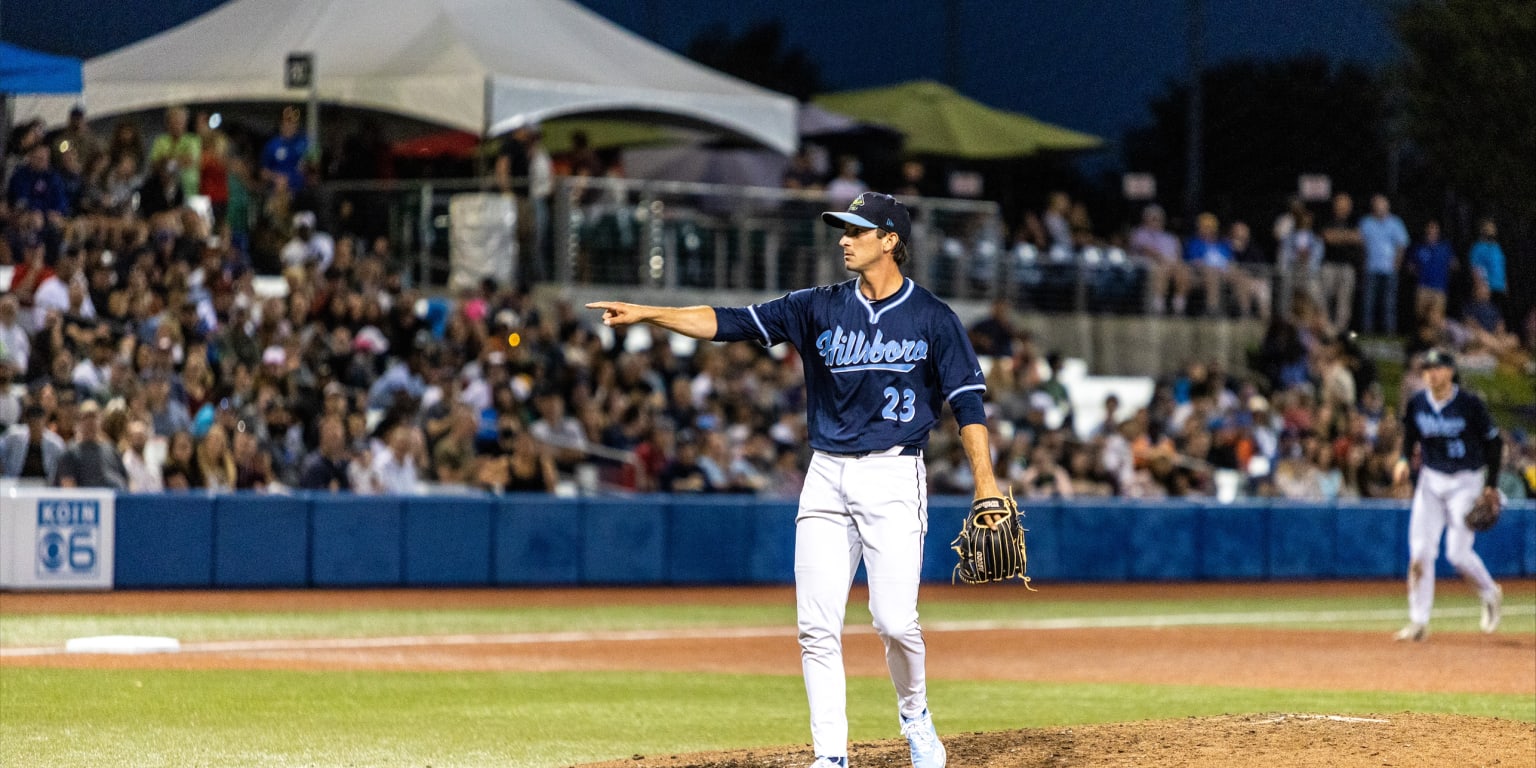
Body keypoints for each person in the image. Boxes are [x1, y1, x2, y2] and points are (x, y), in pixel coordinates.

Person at [589, 190, 1004, 768]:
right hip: (827, 474)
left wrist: (985, 482)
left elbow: (968, 405)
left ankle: (916, 715)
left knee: (894, 620)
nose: (843, 238)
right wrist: (650, 313)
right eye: (843, 229)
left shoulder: (934, 317)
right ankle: (831, 756)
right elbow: (731, 322)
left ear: (890, 240)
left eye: (857, 230)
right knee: (816, 625)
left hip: (893, 474)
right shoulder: (817, 305)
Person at [1391, 349, 1503, 642]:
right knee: (1420, 553)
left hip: (1467, 480)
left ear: (1450, 372)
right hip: (1431, 480)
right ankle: (1418, 622)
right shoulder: (1417, 403)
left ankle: (1490, 593)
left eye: (1437, 368)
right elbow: (1410, 436)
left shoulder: (1469, 404)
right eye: (1427, 368)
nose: (1431, 373)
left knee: (1457, 554)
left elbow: (1494, 443)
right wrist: (1403, 460)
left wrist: (1491, 485)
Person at [1357, 194, 1409, 336]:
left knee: (1389, 304)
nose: (1379, 208)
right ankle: (1367, 335)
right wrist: (1362, 265)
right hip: (1371, 268)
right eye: (1376, 205)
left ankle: (1389, 335)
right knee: (1368, 304)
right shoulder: (1366, 222)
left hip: (1389, 269)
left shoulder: (1395, 223)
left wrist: (1396, 265)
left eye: (1382, 205)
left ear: (1387, 207)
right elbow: (1361, 246)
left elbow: (1401, 245)